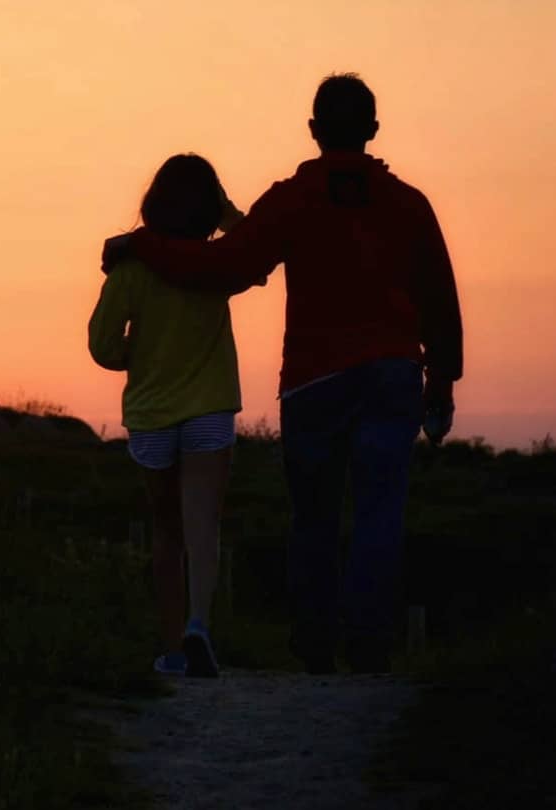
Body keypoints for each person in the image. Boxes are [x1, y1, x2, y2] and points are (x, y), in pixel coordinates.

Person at [102, 74, 463, 674]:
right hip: (394, 374)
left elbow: (224, 264)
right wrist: (441, 385)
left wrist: (143, 246)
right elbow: (440, 302)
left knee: (315, 516)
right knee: (379, 512)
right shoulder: (408, 204)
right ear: (373, 130)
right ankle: (369, 648)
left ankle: (315, 646)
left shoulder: (294, 198)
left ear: (315, 131)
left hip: (314, 382)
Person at [88, 153, 257, 678]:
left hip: (151, 414)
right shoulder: (217, 264)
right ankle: (199, 624)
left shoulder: (130, 269)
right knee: (202, 524)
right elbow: (257, 245)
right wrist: (226, 210)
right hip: (208, 409)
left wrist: (132, 357)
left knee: (166, 531)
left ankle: (172, 650)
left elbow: (101, 345)